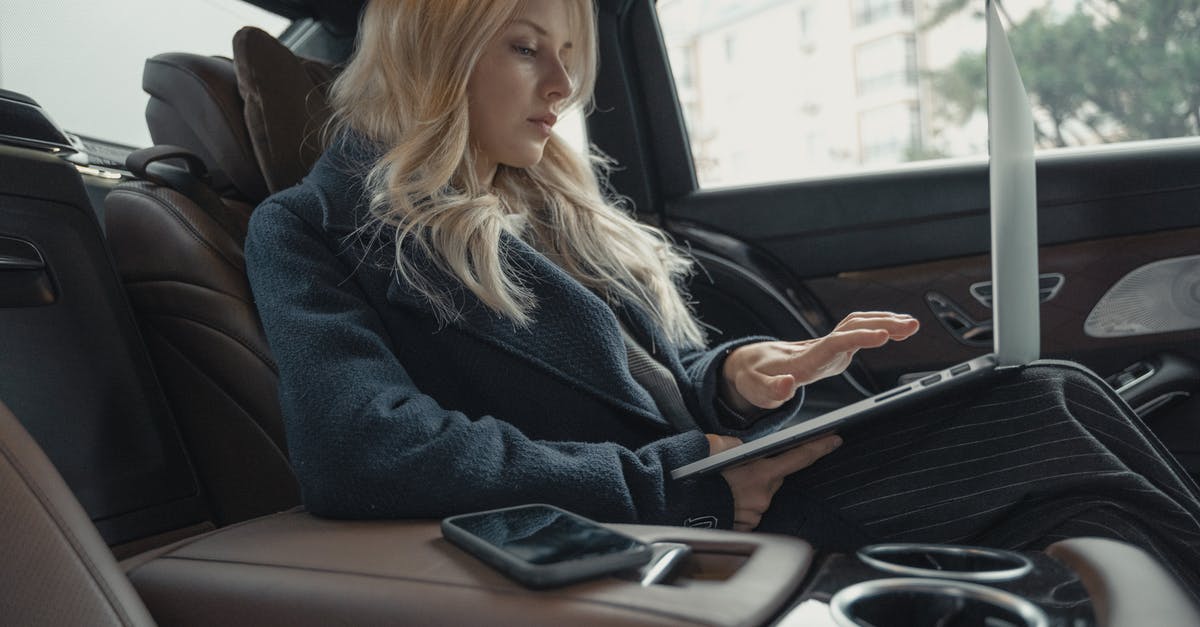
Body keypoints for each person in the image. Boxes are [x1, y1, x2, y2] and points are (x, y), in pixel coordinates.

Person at [245, 0, 1200, 591]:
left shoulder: (536, 200)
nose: (565, 84)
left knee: (1075, 444)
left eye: (569, 50)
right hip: (674, 519)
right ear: (435, 52)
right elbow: (360, 448)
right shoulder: (312, 227)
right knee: (1042, 402)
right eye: (527, 48)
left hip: (725, 475)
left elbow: (646, 380)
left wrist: (740, 378)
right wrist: (665, 483)